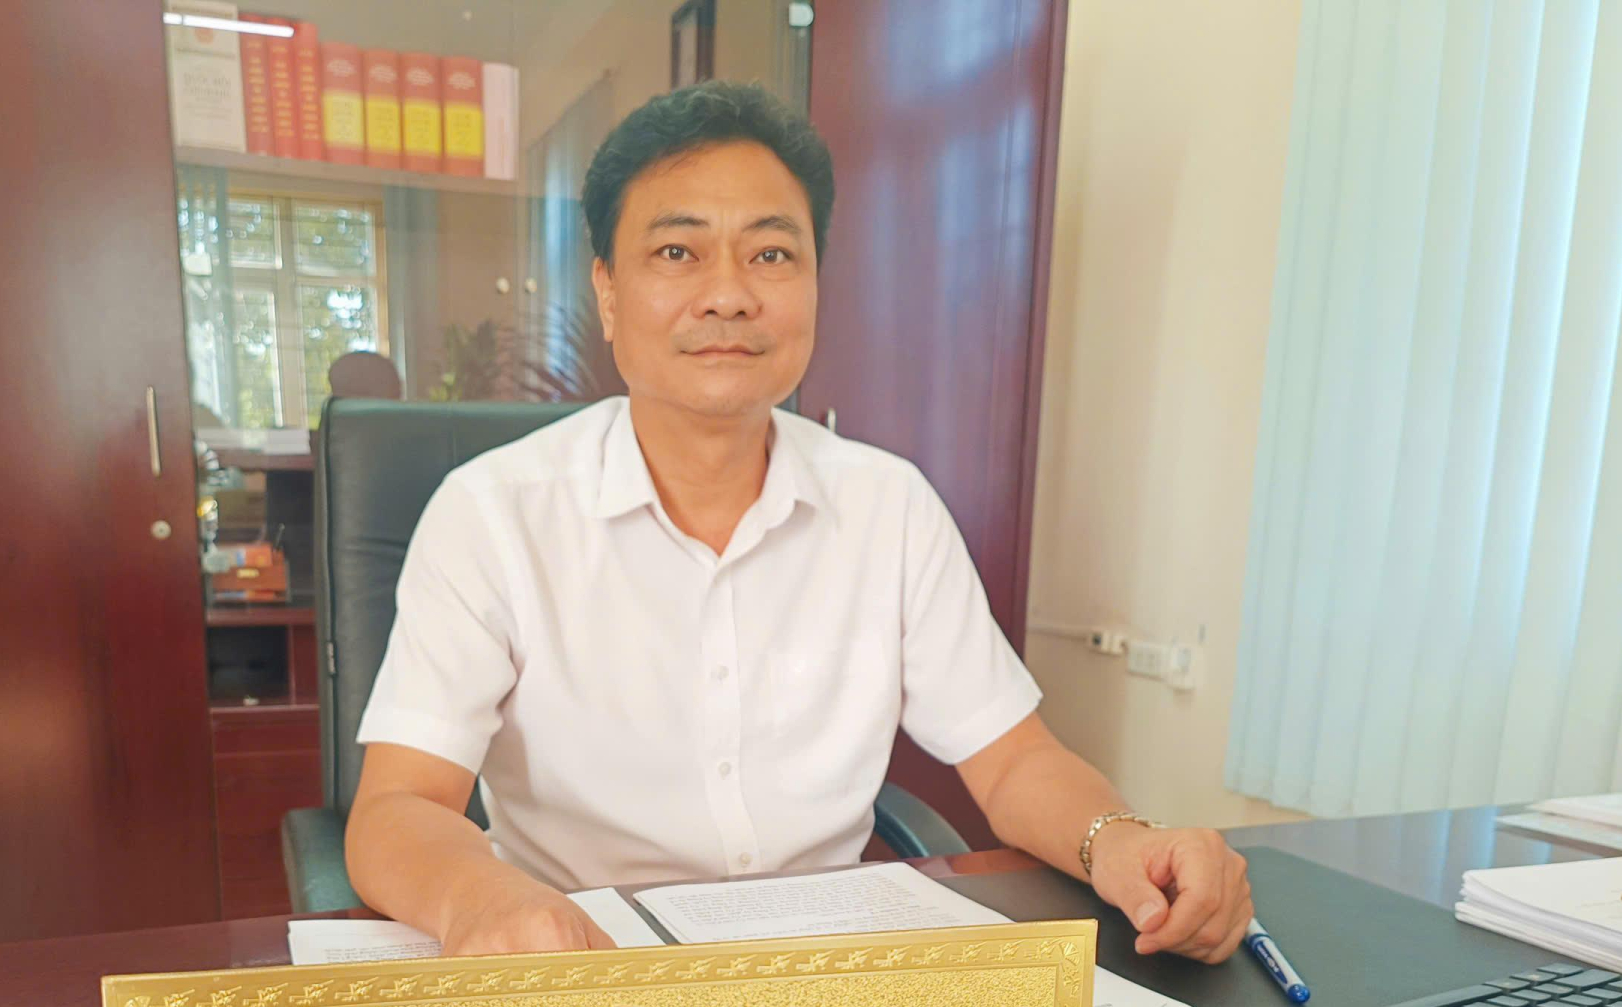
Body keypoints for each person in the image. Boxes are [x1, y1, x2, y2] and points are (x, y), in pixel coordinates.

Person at [345, 82, 1253, 962]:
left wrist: (1120, 840)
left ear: (816, 286)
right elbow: (398, 807)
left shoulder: (889, 505)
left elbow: (1014, 762)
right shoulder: (493, 513)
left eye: (772, 255)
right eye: (678, 252)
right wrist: (482, 899)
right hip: (585, 965)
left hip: (823, 973)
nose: (729, 295)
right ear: (609, 292)